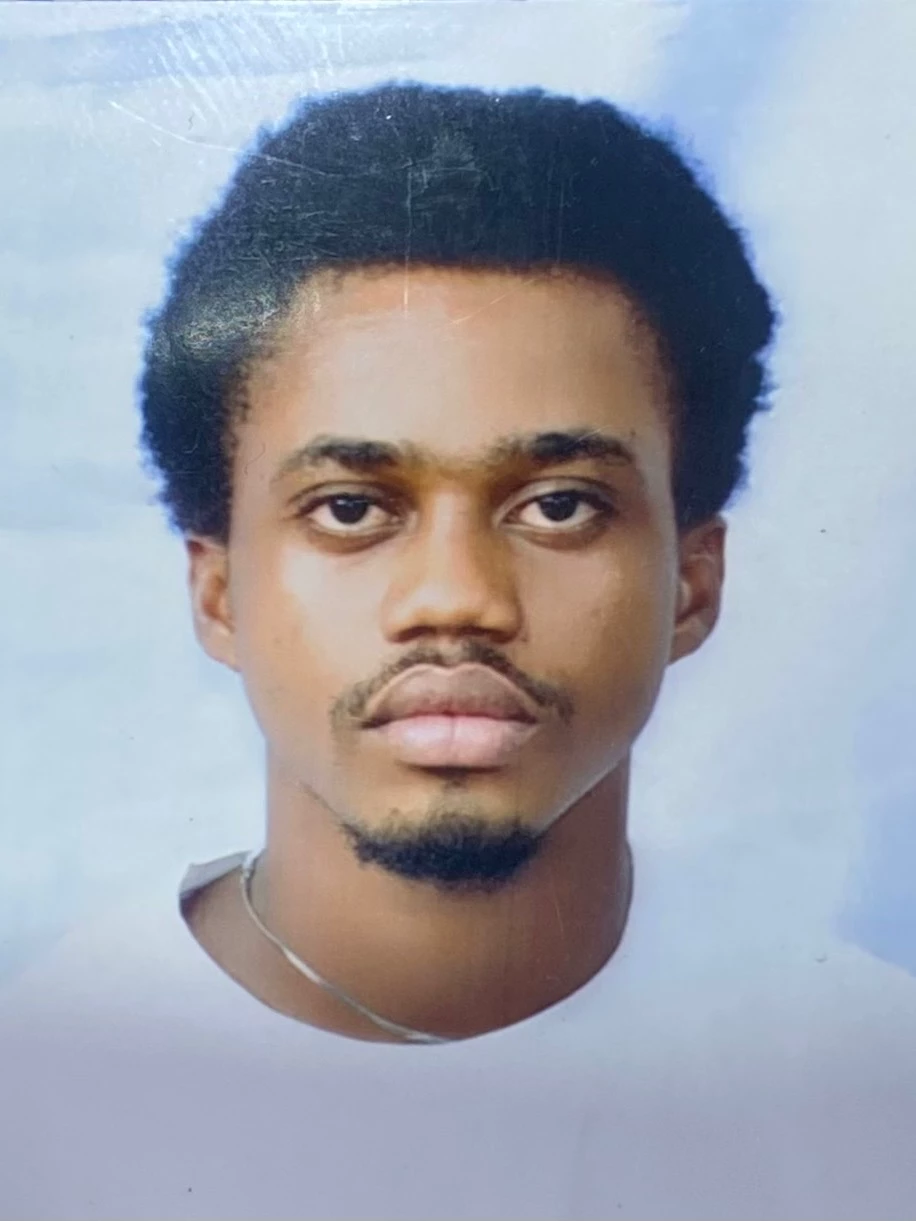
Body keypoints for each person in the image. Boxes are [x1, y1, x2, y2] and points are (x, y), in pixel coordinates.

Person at [3, 81, 916, 1221]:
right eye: (349, 508)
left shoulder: (874, 1091)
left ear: (692, 582)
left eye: (561, 505)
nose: (456, 598)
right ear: (219, 591)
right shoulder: (34, 1092)